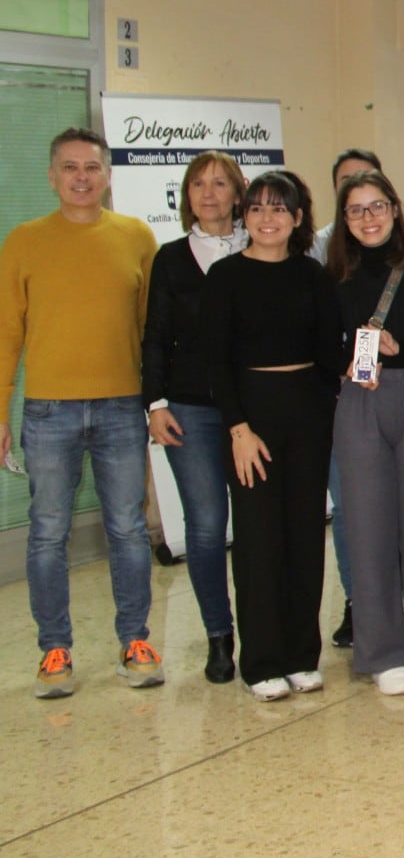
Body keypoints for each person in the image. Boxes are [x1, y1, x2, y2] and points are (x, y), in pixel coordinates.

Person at [3, 128, 162, 698]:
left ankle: (135, 642)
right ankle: (55, 650)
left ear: (107, 174)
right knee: (48, 531)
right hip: (48, 412)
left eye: (91, 167)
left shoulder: (136, 237)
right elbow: (6, 335)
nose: (81, 177)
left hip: (122, 406)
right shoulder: (24, 241)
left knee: (126, 528)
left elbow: (152, 333)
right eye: (69, 167)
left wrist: (157, 401)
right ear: (52, 176)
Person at [202, 170, 345, 701]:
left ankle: (300, 655)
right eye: (257, 208)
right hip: (250, 421)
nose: (267, 218)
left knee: (306, 538)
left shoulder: (314, 277)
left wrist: (369, 353)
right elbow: (217, 363)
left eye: (278, 208)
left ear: (298, 218)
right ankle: (260, 660)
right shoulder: (225, 276)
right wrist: (238, 429)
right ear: (245, 216)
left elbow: (331, 355)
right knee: (259, 541)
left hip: (308, 416)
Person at [325, 169, 404, 696]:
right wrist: (347, 357)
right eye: (356, 210)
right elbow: (315, 342)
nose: (368, 218)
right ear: (343, 219)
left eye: (377, 207)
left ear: (394, 209)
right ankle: (382, 650)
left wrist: (402, 347)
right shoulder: (331, 274)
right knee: (367, 528)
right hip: (359, 403)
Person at [142, 150, 249, 684]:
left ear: (238, 193)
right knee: (206, 528)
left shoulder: (263, 247)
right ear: (187, 196)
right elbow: (156, 337)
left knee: (257, 526)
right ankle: (218, 635)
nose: (209, 194)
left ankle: (263, 630)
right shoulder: (170, 258)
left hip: (255, 411)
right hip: (191, 409)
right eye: (198, 185)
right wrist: (155, 405)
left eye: (220, 184)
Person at [309, 147, 380, 651]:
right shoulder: (318, 254)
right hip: (342, 399)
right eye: (347, 188)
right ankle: (359, 603)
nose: (359, 200)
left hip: (399, 395)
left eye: (366, 187)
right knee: (351, 509)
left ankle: (398, 601)